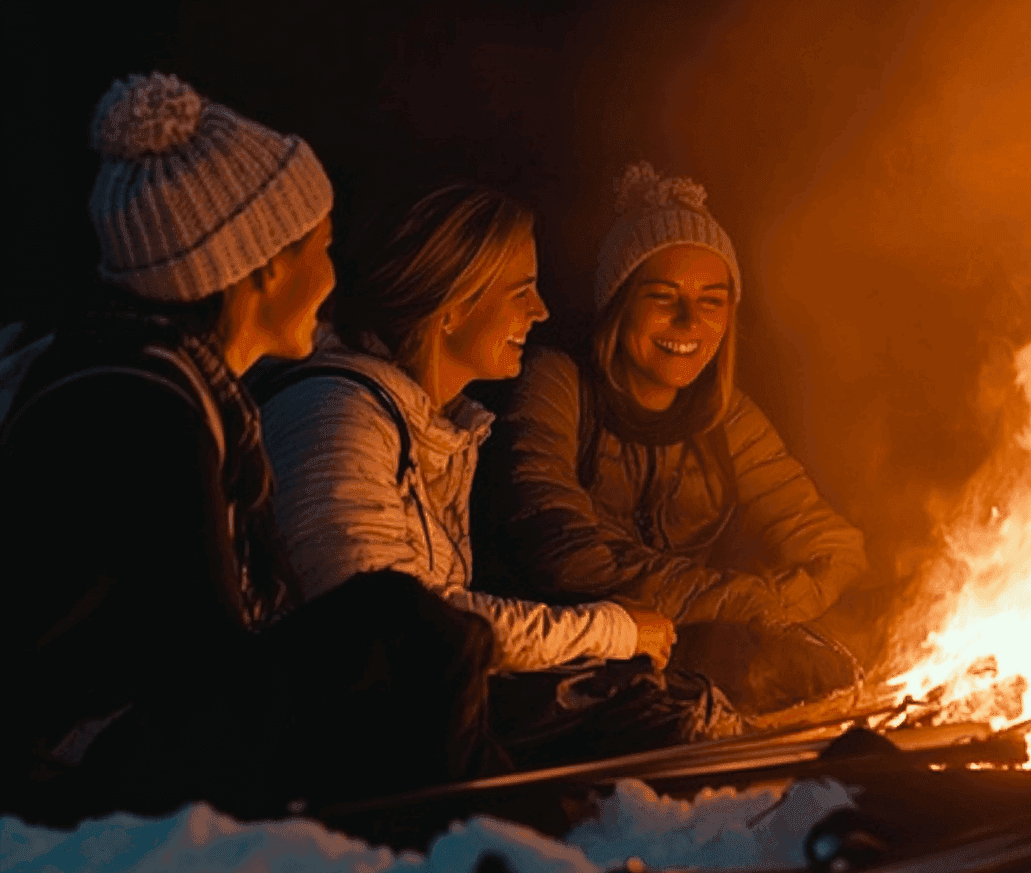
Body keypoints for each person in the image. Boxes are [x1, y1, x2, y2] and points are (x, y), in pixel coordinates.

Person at [255, 184, 724, 765]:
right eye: (521, 290)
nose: (542, 311)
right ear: (450, 307)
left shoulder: (420, 423)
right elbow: (398, 633)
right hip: (314, 766)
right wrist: (610, 630)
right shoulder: (335, 420)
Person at [0, 72, 340, 818]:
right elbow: (205, 666)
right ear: (268, 261)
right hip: (69, 787)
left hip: (87, 758)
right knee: (401, 632)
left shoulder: (143, 378)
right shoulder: (139, 409)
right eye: (325, 245)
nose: (333, 276)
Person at [478, 163, 873, 713]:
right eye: (663, 297)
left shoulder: (725, 418)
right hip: (554, 673)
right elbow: (563, 553)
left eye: (711, 301)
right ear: (617, 303)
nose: (690, 321)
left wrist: (782, 603)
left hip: (679, 671)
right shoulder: (556, 384)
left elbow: (835, 547)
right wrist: (740, 600)